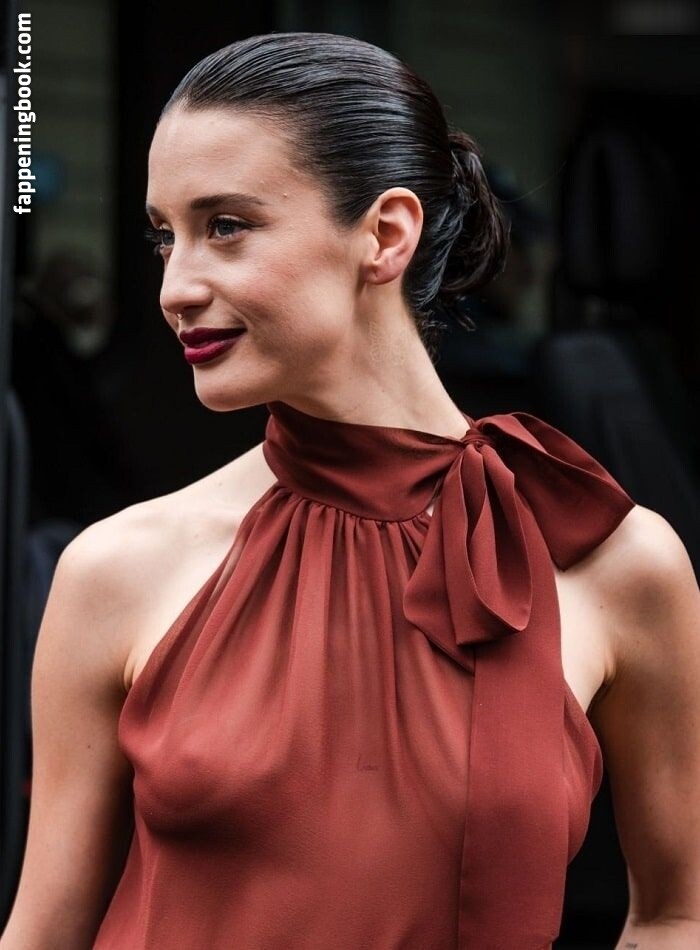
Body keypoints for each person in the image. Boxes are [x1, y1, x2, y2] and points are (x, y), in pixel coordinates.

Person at [2, 31, 700, 950]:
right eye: (165, 236)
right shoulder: (117, 569)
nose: (175, 286)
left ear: (385, 234)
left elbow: (675, 914)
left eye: (226, 226)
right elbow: (44, 933)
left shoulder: (616, 565)